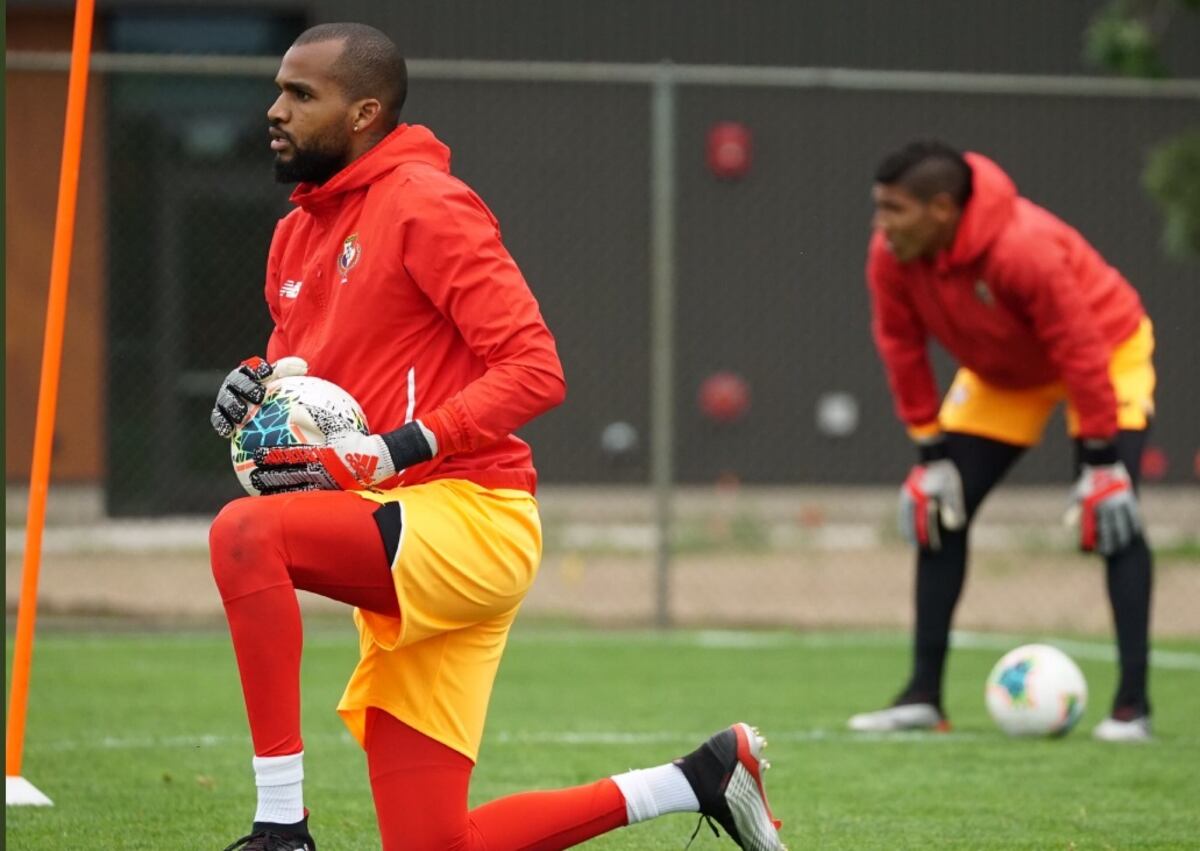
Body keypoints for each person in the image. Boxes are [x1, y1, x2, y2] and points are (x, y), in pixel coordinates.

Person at [207, 22, 785, 851]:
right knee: (434, 845)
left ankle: (279, 827)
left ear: (365, 111)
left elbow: (536, 367)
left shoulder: (428, 204)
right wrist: (253, 378)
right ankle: (700, 776)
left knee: (244, 534)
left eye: (301, 94)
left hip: (474, 518)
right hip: (400, 531)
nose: (276, 109)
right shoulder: (296, 233)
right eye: (278, 91)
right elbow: (307, 368)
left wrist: (400, 446)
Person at [851, 140, 1156, 743]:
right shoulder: (892, 255)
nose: (881, 225)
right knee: (942, 510)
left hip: (1105, 352)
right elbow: (900, 344)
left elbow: (1080, 347)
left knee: (1113, 515)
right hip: (1004, 375)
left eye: (894, 210)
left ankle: (1132, 708)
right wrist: (929, 452)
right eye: (878, 208)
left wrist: (1100, 462)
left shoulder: (1023, 248)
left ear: (941, 209)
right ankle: (921, 698)